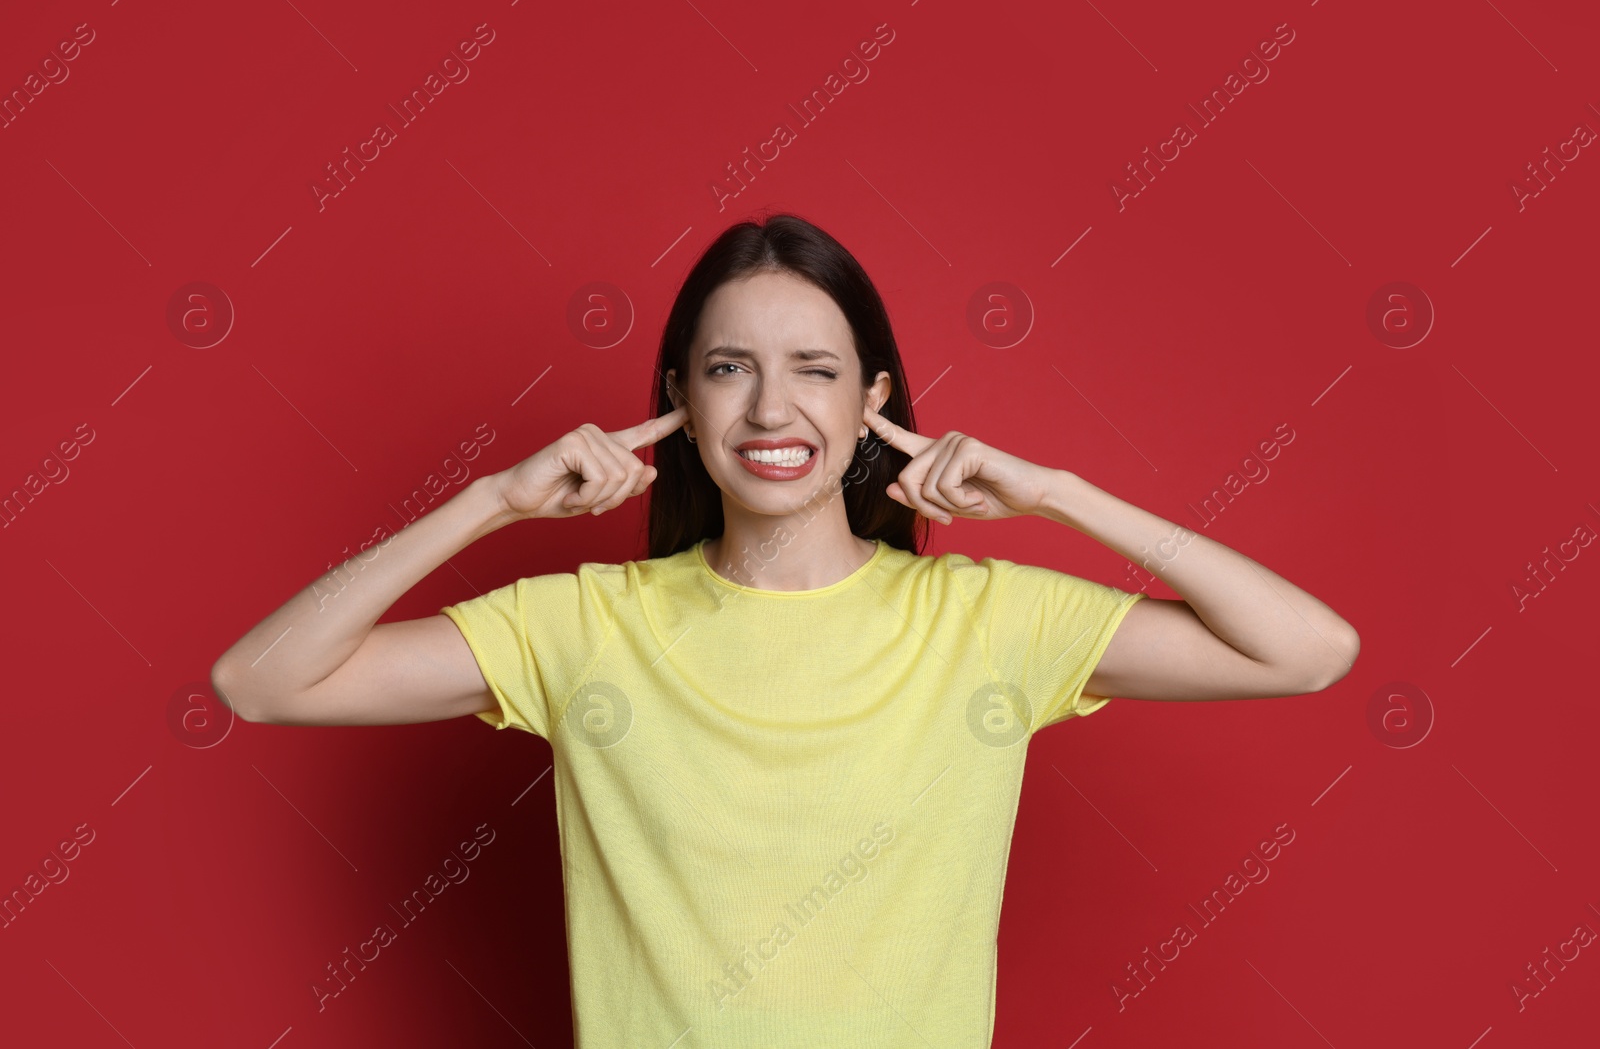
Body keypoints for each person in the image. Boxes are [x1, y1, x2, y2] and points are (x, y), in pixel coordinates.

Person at [212, 214, 1359, 1047]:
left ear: (871, 399)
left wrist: (1059, 492)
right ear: (680, 398)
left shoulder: (988, 621)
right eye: (728, 370)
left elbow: (1305, 649)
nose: (770, 409)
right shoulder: (584, 623)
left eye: (814, 370)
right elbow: (260, 679)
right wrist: (492, 502)